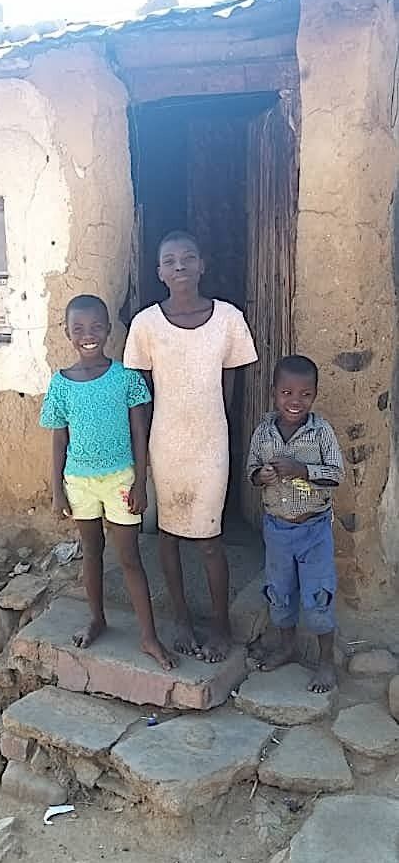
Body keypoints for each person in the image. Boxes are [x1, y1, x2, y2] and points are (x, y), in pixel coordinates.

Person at [124, 231, 258, 662]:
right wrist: (141, 457)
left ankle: (220, 625)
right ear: (159, 272)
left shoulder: (228, 319)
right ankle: (180, 617)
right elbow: (140, 396)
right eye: (170, 260)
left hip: (210, 442)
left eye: (188, 258)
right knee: (168, 534)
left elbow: (230, 387)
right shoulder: (145, 325)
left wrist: (218, 432)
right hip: (166, 442)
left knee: (209, 537)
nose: (179, 265)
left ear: (203, 266)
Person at [40, 294, 175, 671]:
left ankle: (148, 636)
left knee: (130, 557)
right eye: (78, 328)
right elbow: (58, 440)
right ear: (67, 332)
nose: (88, 335)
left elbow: (139, 432)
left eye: (96, 327)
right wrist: (56, 490)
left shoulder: (126, 378)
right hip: (79, 482)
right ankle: (97, 618)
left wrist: (141, 483)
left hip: (120, 479)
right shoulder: (62, 384)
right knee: (92, 551)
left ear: (109, 330)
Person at [246, 354, 345, 693]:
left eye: (305, 394)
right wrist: (263, 475)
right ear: (274, 393)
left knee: (318, 595)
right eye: (287, 392)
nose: (295, 401)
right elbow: (252, 472)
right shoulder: (264, 433)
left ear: (314, 395)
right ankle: (287, 647)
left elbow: (336, 475)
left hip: (314, 530)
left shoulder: (321, 433)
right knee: (280, 592)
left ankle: (325, 661)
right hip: (277, 530)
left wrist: (304, 471)